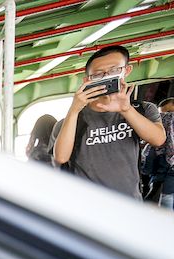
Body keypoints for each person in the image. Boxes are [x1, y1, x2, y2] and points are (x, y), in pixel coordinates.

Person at [52, 45, 166, 199]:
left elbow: (158, 139)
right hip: (87, 207)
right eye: (98, 74)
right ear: (87, 80)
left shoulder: (142, 109)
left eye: (114, 71)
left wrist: (126, 110)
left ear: (126, 70)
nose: (107, 77)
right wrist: (74, 110)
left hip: (130, 205)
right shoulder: (70, 122)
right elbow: (60, 157)